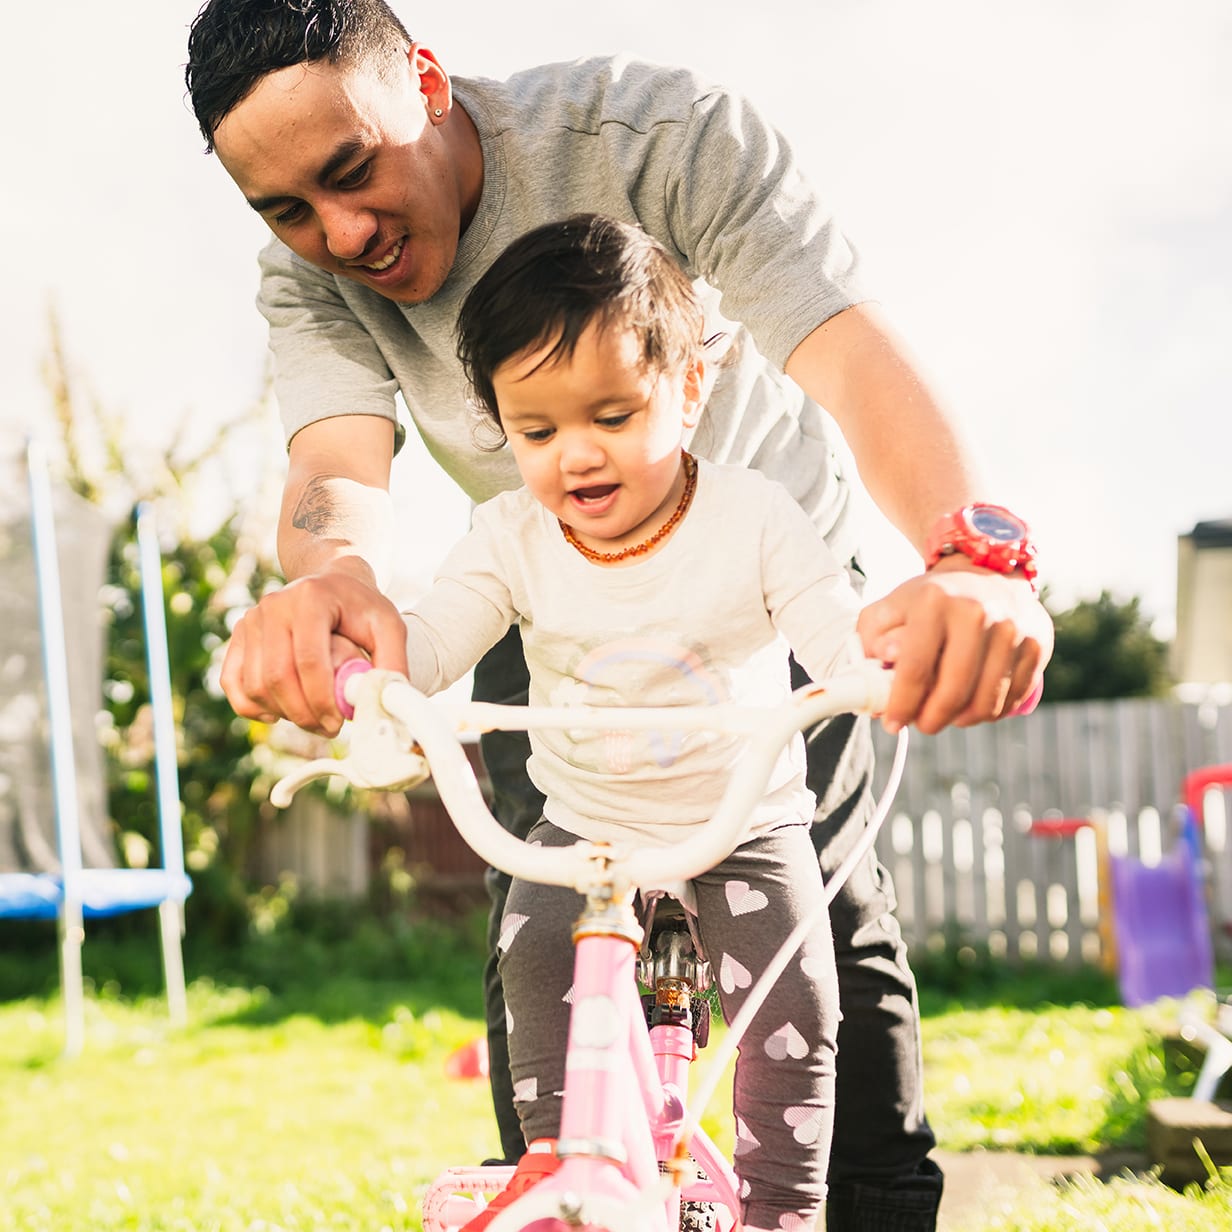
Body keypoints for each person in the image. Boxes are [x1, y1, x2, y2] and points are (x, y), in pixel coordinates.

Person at [184, 3, 1054, 1229]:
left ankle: (843, 1205)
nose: (339, 231)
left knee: (819, 932)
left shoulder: (656, 136)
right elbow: (336, 462)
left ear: (426, 85)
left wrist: (968, 558)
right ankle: (572, 1186)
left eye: (351, 171)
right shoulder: (311, 271)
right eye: (285, 209)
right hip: (547, 599)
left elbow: (844, 349)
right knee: (537, 927)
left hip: (762, 600)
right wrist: (330, 584)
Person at [406, 211, 865, 1231]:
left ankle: (783, 1213)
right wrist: (368, 677)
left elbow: (832, 631)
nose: (576, 456)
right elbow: (427, 640)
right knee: (527, 956)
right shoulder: (510, 535)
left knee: (796, 1010)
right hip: (587, 827)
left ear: (691, 386)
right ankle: (565, 1181)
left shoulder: (750, 517)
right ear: (498, 422)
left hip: (738, 824)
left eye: (611, 414)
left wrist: (872, 669)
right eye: (536, 431)